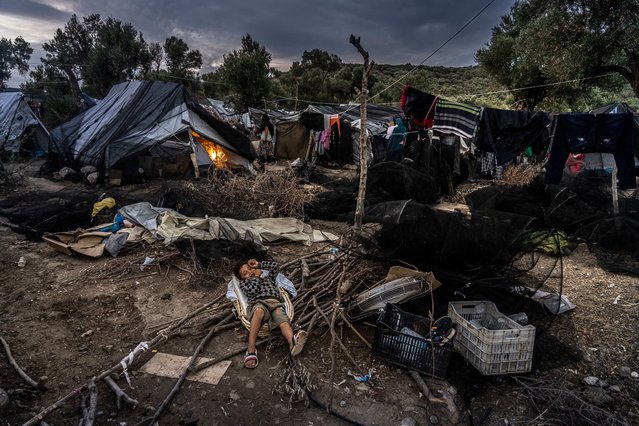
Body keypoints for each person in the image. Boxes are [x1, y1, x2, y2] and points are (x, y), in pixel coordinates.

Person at [233, 258, 306, 368]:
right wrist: (256, 276)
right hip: (258, 303)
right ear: (242, 279)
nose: (250, 272)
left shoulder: (268, 278)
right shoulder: (245, 284)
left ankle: (292, 343)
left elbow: (275, 266)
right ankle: (251, 348)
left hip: (275, 302)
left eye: (249, 268)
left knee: (281, 316)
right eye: (245, 273)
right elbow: (252, 291)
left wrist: (259, 264)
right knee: (259, 311)